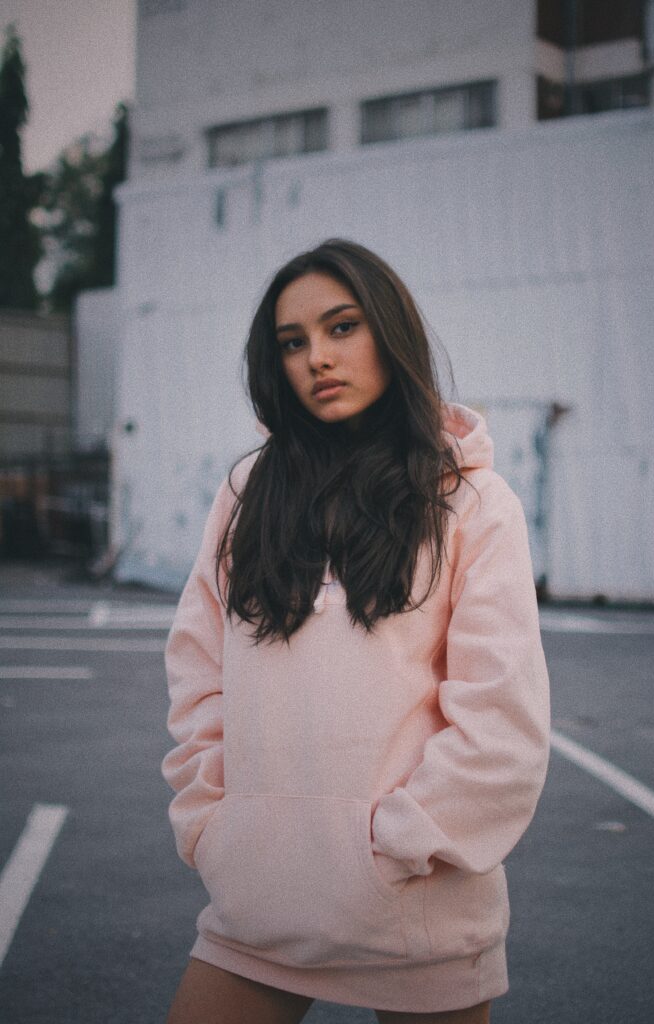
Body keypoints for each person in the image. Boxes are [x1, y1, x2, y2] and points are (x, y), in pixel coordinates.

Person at [162, 239, 550, 1024]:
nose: (317, 359)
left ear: (389, 332)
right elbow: (199, 672)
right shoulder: (250, 492)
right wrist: (214, 825)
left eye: (342, 327)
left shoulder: (473, 505)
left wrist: (399, 846)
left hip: (417, 915)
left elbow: (500, 723)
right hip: (261, 903)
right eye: (293, 342)